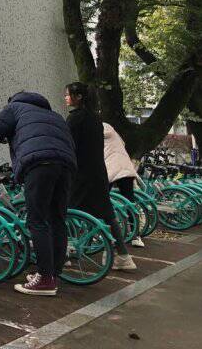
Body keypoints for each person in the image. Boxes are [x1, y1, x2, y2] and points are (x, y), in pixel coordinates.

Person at [0, 91, 77, 296]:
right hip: (65, 165)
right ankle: (52, 274)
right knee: (57, 220)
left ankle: (45, 279)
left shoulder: (14, 108)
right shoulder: (54, 115)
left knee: (37, 220)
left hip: (39, 164)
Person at [65, 82, 137, 271]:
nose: (66, 98)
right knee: (107, 214)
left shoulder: (75, 119)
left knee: (63, 211)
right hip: (98, 173)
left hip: (80, 175)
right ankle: (124, 256)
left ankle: (62, 253)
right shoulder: (96, 119)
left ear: (78, 96)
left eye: (68, 94)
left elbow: (68, 146)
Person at [103, 122, 144, 247]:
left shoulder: (95, 130)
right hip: (125, 167)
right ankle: (136, 236)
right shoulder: (113, 131)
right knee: (129, 201)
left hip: (110, 168)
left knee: (102, 200)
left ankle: (104, 233)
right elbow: (123, 143)